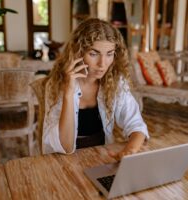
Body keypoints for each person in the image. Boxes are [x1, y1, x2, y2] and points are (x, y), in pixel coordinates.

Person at [42, 18, 149, 160]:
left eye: (109, 54)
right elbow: (66, 147)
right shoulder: (56, 84)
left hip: (100, 156)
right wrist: (69, 93)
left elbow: (136, 125)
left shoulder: (115, 81)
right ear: (77, 52)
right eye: (93, 54)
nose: (102, 64)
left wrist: (129, 151)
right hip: (62, 159)